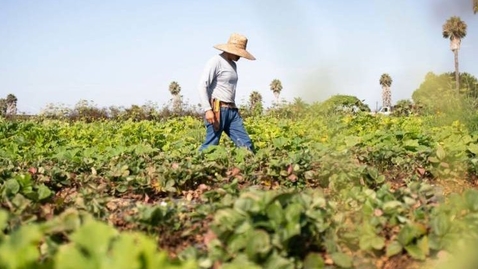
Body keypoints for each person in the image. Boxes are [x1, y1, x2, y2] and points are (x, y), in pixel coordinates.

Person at [198, 33, 255, 153]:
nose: (240, 57)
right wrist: (208, 109)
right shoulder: (216, 61)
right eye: (238, 53)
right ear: (230, 50)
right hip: (218, 110)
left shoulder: (233, 65)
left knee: (246, 144)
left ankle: (250, 168)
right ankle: (192, 168)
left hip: (232, 111)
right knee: (211, 145)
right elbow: (202, 85)